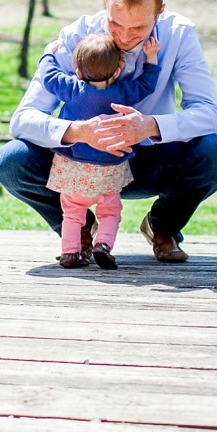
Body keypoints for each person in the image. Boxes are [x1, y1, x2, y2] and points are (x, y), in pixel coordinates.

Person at [0, 0, 217, 263]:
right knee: (12, 161)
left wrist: (149, 126)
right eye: (115, 23)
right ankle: (79, 230)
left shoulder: (180, 34)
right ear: (105, 4)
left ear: (160, 12)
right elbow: (22, 120)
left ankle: (163, 227)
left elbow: (209, 113)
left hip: (150, 158)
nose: (124, 36)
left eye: (138, 28)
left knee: (216, 153)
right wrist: (79, 132)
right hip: (78, 162)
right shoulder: (75, 36)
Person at [40, 32, 161, 269]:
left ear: (78, 72)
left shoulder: (72, 88)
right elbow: (147, 84)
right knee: (110, 212)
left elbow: (49, 77)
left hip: (74, 169)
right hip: (111, 170)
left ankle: (70, 252)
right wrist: (152, 57)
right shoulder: (122, 92)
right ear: (117, 71)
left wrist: (48, 53)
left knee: (73, 213)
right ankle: (103, 245)